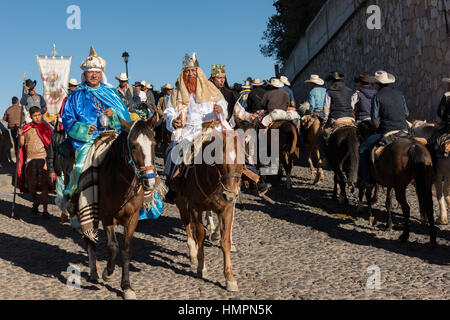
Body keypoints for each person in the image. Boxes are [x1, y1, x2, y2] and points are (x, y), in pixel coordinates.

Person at [62, 46, 131, 242]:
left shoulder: (112, 93)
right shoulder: (76, 96)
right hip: (89, 141)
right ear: (85, 74)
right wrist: (85, 129)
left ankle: (143, 198)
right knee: (80, 167)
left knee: (133, 158)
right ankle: (76, 204)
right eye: (90, 72)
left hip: (113, 136)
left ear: (102, 74)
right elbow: (67, 119)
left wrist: (114, 116)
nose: (94, 75)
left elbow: (125, 118)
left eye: (97, 72)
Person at [359, 71, 409, 185]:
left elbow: (375, 120)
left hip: (387, 130)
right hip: (404, 129)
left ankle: (366, 180)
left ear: (377, 83)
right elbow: (407, 114)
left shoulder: (377, 96)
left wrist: (377, 126)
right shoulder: (399, 94)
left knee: (362, 149)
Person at [17, 106, 53, 217]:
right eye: (35, 116)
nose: (37, 118)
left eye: (39, 115)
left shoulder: (46, 128)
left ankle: (45, 210)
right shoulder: (26, 128)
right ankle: (36, 201)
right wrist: (20, 135)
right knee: (31, 185)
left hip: (43, 158)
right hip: (30, 158)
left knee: (44, 186)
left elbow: (50, 145)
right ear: (31, 116)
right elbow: (21, 145)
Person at [321, 72, 356, 138]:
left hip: (336, 117)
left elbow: (326, 108)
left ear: (331, 80)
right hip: (349, 117)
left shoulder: (329, 91)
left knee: (322, 137)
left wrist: (324, 121)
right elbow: (352, 106)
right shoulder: (349, 90)